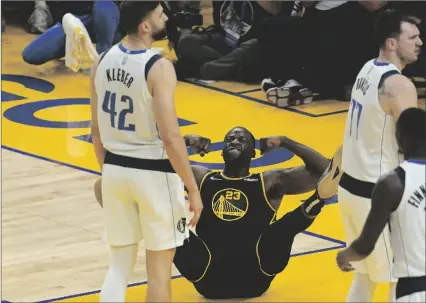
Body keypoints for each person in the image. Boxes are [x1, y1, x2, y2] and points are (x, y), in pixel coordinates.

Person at [95, 126, 342, 299]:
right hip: (207, 274)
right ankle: (134, 213)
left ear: (253, 154)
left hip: (256, 273)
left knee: (282, 229)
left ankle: (318, 198)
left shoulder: (270, 181)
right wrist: (185, 142)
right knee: (172, 221)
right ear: (221, 152)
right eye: (229, 139)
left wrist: (286, 141)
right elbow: (149, 165)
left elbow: (328, 171)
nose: (234, 141)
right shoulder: (200, 177)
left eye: (241, 139)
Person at [89, 1, 203, 302]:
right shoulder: (159, 66)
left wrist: (109, 173)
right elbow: (169, 136)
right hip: (153, 176)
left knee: (118, 269)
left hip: (114, 169)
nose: (164, 15)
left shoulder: (101, 61)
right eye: (158, 12)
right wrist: (192, 188)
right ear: (145, 26)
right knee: (158, 277)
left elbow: (96, 132)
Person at [337, 9, 422, 303]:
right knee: (399, 279)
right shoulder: (400, 85)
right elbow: (413, 143)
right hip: (375, 195)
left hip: (350, 189)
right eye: (412, 37)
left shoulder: (367, 69)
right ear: (391, 44)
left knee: (365, 276)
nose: (419, 42)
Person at [336, 107, 426, 303]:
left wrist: (345, 255)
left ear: (399, 138)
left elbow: (366, 245)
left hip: (414, 291)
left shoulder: (392, 183)